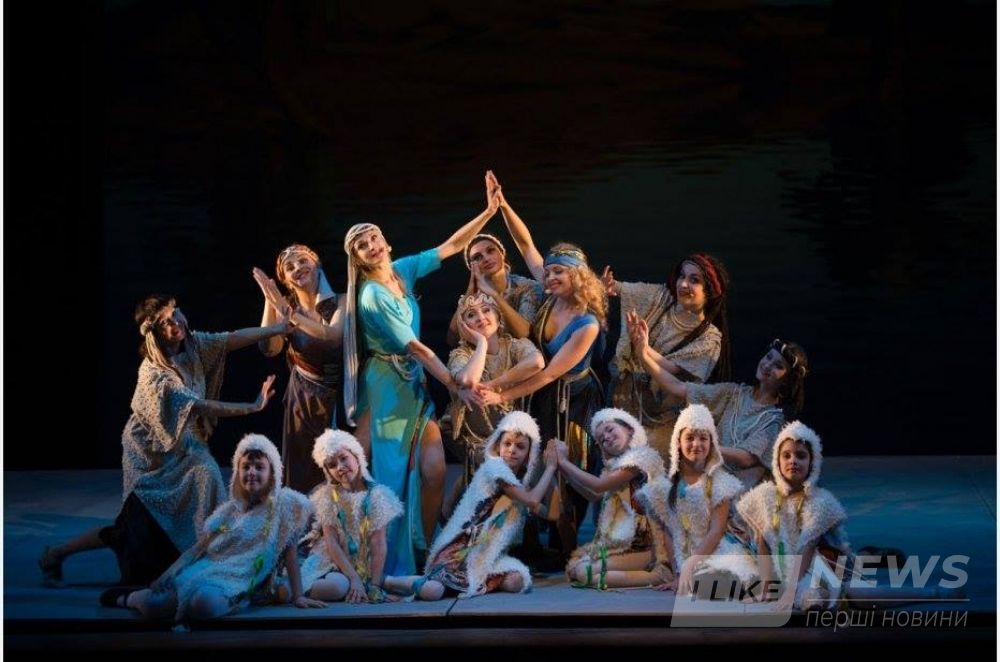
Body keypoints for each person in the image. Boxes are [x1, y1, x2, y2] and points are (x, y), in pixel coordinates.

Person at [39, 295, 288, 590]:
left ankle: (207, 560)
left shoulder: (193, 345)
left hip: (185, 441)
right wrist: (252, 406)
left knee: (206, 477)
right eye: (165, 322)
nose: (176, 323)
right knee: (133, 526)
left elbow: (231, 339)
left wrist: (278, 328)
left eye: (176, 313)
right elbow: (199, 406)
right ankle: (56, 554)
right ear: (155, 332)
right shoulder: (155, 374)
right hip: (150, 450)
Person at [341, 172, 501, 575]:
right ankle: (386, 557)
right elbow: (415, 347)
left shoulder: (400, 271)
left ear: (385, 242)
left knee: (434, 470)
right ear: (357, 258)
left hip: (413, 381)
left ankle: (426, 546)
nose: (371, 246)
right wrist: (454, 386)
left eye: (374, 238)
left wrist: (488, 212)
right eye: (362, 245)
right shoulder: (372, 295)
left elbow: (452, 246)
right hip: (387, 386)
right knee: (392, 475)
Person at [474, 239, 607, 563]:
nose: (549, 277)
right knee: (534, 465)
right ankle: (534, 542)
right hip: (543, 396)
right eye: (546, 272)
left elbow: (549, 373)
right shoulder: (551, 298)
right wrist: (499, 211)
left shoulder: (588, 324)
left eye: (558, 271)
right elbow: (525, 244)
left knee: (568, 471)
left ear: (577, 274)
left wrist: (501, 395)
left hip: (573, 401)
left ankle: (568, 552)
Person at [104, 434, 325, 620]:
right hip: (209, 569)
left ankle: (233, 599)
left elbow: (290, 555)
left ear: (272, 474)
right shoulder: (228, 512)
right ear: (237, 472)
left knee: (203, 604)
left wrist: (298, 596)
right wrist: (169, 572)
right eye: (246, 467)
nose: (252, 472)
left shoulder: (284, 506)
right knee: (155, 606)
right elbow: (198, 549)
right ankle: (129, 598)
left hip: (238, 580)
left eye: (259, 467)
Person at [390, 411, 559, 600]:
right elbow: (533, 501)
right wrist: (551, 467)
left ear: (529, 455)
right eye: (507, 444)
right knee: (433, 591)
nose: (512, 450)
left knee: (516, 581)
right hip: (460, 551)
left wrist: (550, 468)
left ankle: (469, 584)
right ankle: (390, 581)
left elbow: (552, 514)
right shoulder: (495, 469)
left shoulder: (520, 487)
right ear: (498, 446)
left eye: (520, 447)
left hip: (486, 556)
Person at [629, 319, 809, 493]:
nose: (768, 365)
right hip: (709, 475)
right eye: (768, 357)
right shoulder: (734, 393)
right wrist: (643, 352)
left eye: (778, 366)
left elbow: (746, 458)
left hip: (737, 490)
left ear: (787, 380)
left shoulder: (773, 419)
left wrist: (707, 447)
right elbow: (679, 387)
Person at [601, 254, 730, 457]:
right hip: (623, 399)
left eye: (694, 280)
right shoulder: (663, 298)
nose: (684, 284)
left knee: (647, 468)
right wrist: (608, 286)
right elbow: (624, 289)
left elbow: (675, 372)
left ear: (709, 291)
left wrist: (643, 349)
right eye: (682, 276)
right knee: (610, 465)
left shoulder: (709, 338)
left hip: (659, 420)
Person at [253, 243, 344, 493]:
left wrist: (287, 311)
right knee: (304, 468)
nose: (297, 268)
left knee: (340, 466)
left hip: (341, 396)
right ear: (285, 280)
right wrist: (270, 300)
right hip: (303, 398)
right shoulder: (285, 307)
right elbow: (269, 349)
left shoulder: (342, 301)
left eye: (303, 261)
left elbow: (332, 337)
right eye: (289, 267)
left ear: (317, 264)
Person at [643, 404, 758, 596]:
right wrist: (678, 573)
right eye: (689, 438)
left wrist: (690, 566)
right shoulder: (667, 486)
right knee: (697, 583)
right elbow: (670, 533)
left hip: (713, 551)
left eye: (703, 438)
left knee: (733, 573)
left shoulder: (719, 483)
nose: (696, 444)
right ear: (678, 442)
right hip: (684, 555)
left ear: (712, 443)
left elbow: (716, 531)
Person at [445, 292, 543, 510]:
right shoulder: (461, 354)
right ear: (463, 327)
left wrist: (496, 387)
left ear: (499, 318)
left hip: (508, 434)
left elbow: (537, 363)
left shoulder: (515, 345)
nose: (480, 317)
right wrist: (481, 343)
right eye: (471, 315)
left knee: (534, 471)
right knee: (493, 472)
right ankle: (454, 511)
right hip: (474, 435)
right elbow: (468, 379)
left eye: (486, 310)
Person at [555, 408, 671, 590]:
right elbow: (593, 494)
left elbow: (598, 486)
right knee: (577, 569)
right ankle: (639, 574)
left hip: (647, 547)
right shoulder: (613, 468)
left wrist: (564, 462)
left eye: (610, 429)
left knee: (584, 573)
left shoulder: (642, 457)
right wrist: (562, 469)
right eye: (601, 439)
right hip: (627, 545)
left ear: (630, 429)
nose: (606, 437)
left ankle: (659, 575)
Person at [295, 429, 404, 604]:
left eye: (344, 458)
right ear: (327, 471)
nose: (340, 467)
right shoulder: (328, 496)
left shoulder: (378, 496)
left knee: (349, 586)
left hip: (362, 562)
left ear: (356, 455)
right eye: (332, 465)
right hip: (330, 560)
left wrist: (374, 586)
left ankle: (376, 583)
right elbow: (331, 542)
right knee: (338, 587)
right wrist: (353, 579)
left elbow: (378, 543)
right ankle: (288, 587)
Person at [444, 230, 544, 345]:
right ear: (472, 267)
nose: (486, 259)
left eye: (490, 251)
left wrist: (495, 296)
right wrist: (470, 292)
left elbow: (525, 335)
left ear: (502, 254)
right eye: (478, 257)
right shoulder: (474, 297)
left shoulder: (526, 287)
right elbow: (452, 340)